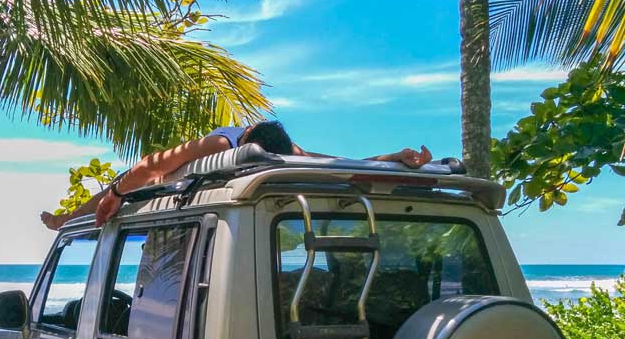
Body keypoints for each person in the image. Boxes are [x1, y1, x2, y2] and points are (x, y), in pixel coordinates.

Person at [40, 121, 432, 230]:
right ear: (245, 137)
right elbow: (151, 164)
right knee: (118, 189)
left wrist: (394, 159)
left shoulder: (284, 151)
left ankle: (69, 218)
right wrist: (115, 194)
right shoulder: (220, 145)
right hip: (168, 177)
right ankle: (64, 220)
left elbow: (337, 162)